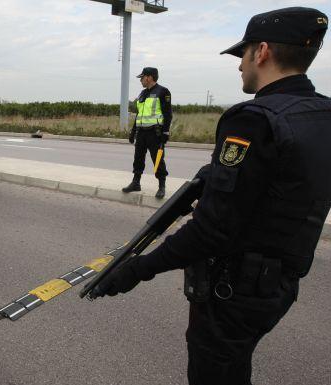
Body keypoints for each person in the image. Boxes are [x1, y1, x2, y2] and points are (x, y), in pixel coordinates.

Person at [94, 7, 329, 385]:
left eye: (244, 54)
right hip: (281, 285)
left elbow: (212, 230)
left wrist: (139, 268)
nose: (240, 67)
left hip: (236, 289)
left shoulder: (252, 119)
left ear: (263, 52)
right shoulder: (322, 112)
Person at [122, 67, 172, 199]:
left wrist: (165, 132)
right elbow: (139, 114)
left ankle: (162, 186)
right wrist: (133, 132)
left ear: (149, 77)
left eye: (142, 77)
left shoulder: (163, 92)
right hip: (141, 132)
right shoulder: (142, 94)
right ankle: (136, 183)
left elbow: (168, 114)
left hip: (155, 133)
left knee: (158, 159)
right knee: (138, 158)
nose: (141, 80)